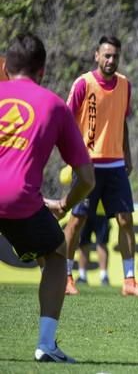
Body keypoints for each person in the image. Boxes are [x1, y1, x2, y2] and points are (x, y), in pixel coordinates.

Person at [0, 33, 95, 362]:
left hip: (20, 198)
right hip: (18, 200)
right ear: (42, 71)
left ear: (4, 66)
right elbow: (86, 177)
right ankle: (46, 345)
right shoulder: (53, 105)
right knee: (56, 254)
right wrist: (65, 206)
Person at [63, 35, 138, 297]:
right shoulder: (83, 84)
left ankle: (129, 281)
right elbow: (65, 122)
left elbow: (122, 122)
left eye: (115, 56)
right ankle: (66, 277)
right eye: (107, 55)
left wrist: (128, 155)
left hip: (115, 165)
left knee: (126, 221)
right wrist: (73, 158)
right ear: (97, 56)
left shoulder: (125, 85)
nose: (111, 60)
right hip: (87, 165)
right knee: (77, 221)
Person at [59, 165, 111, 286]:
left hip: (100, 210)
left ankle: (104, 275)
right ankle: (82, 275)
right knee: (83, 243)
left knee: (101, 243)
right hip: (85, 209)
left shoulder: (100, 164)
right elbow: (63, 177)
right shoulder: (82, 163)